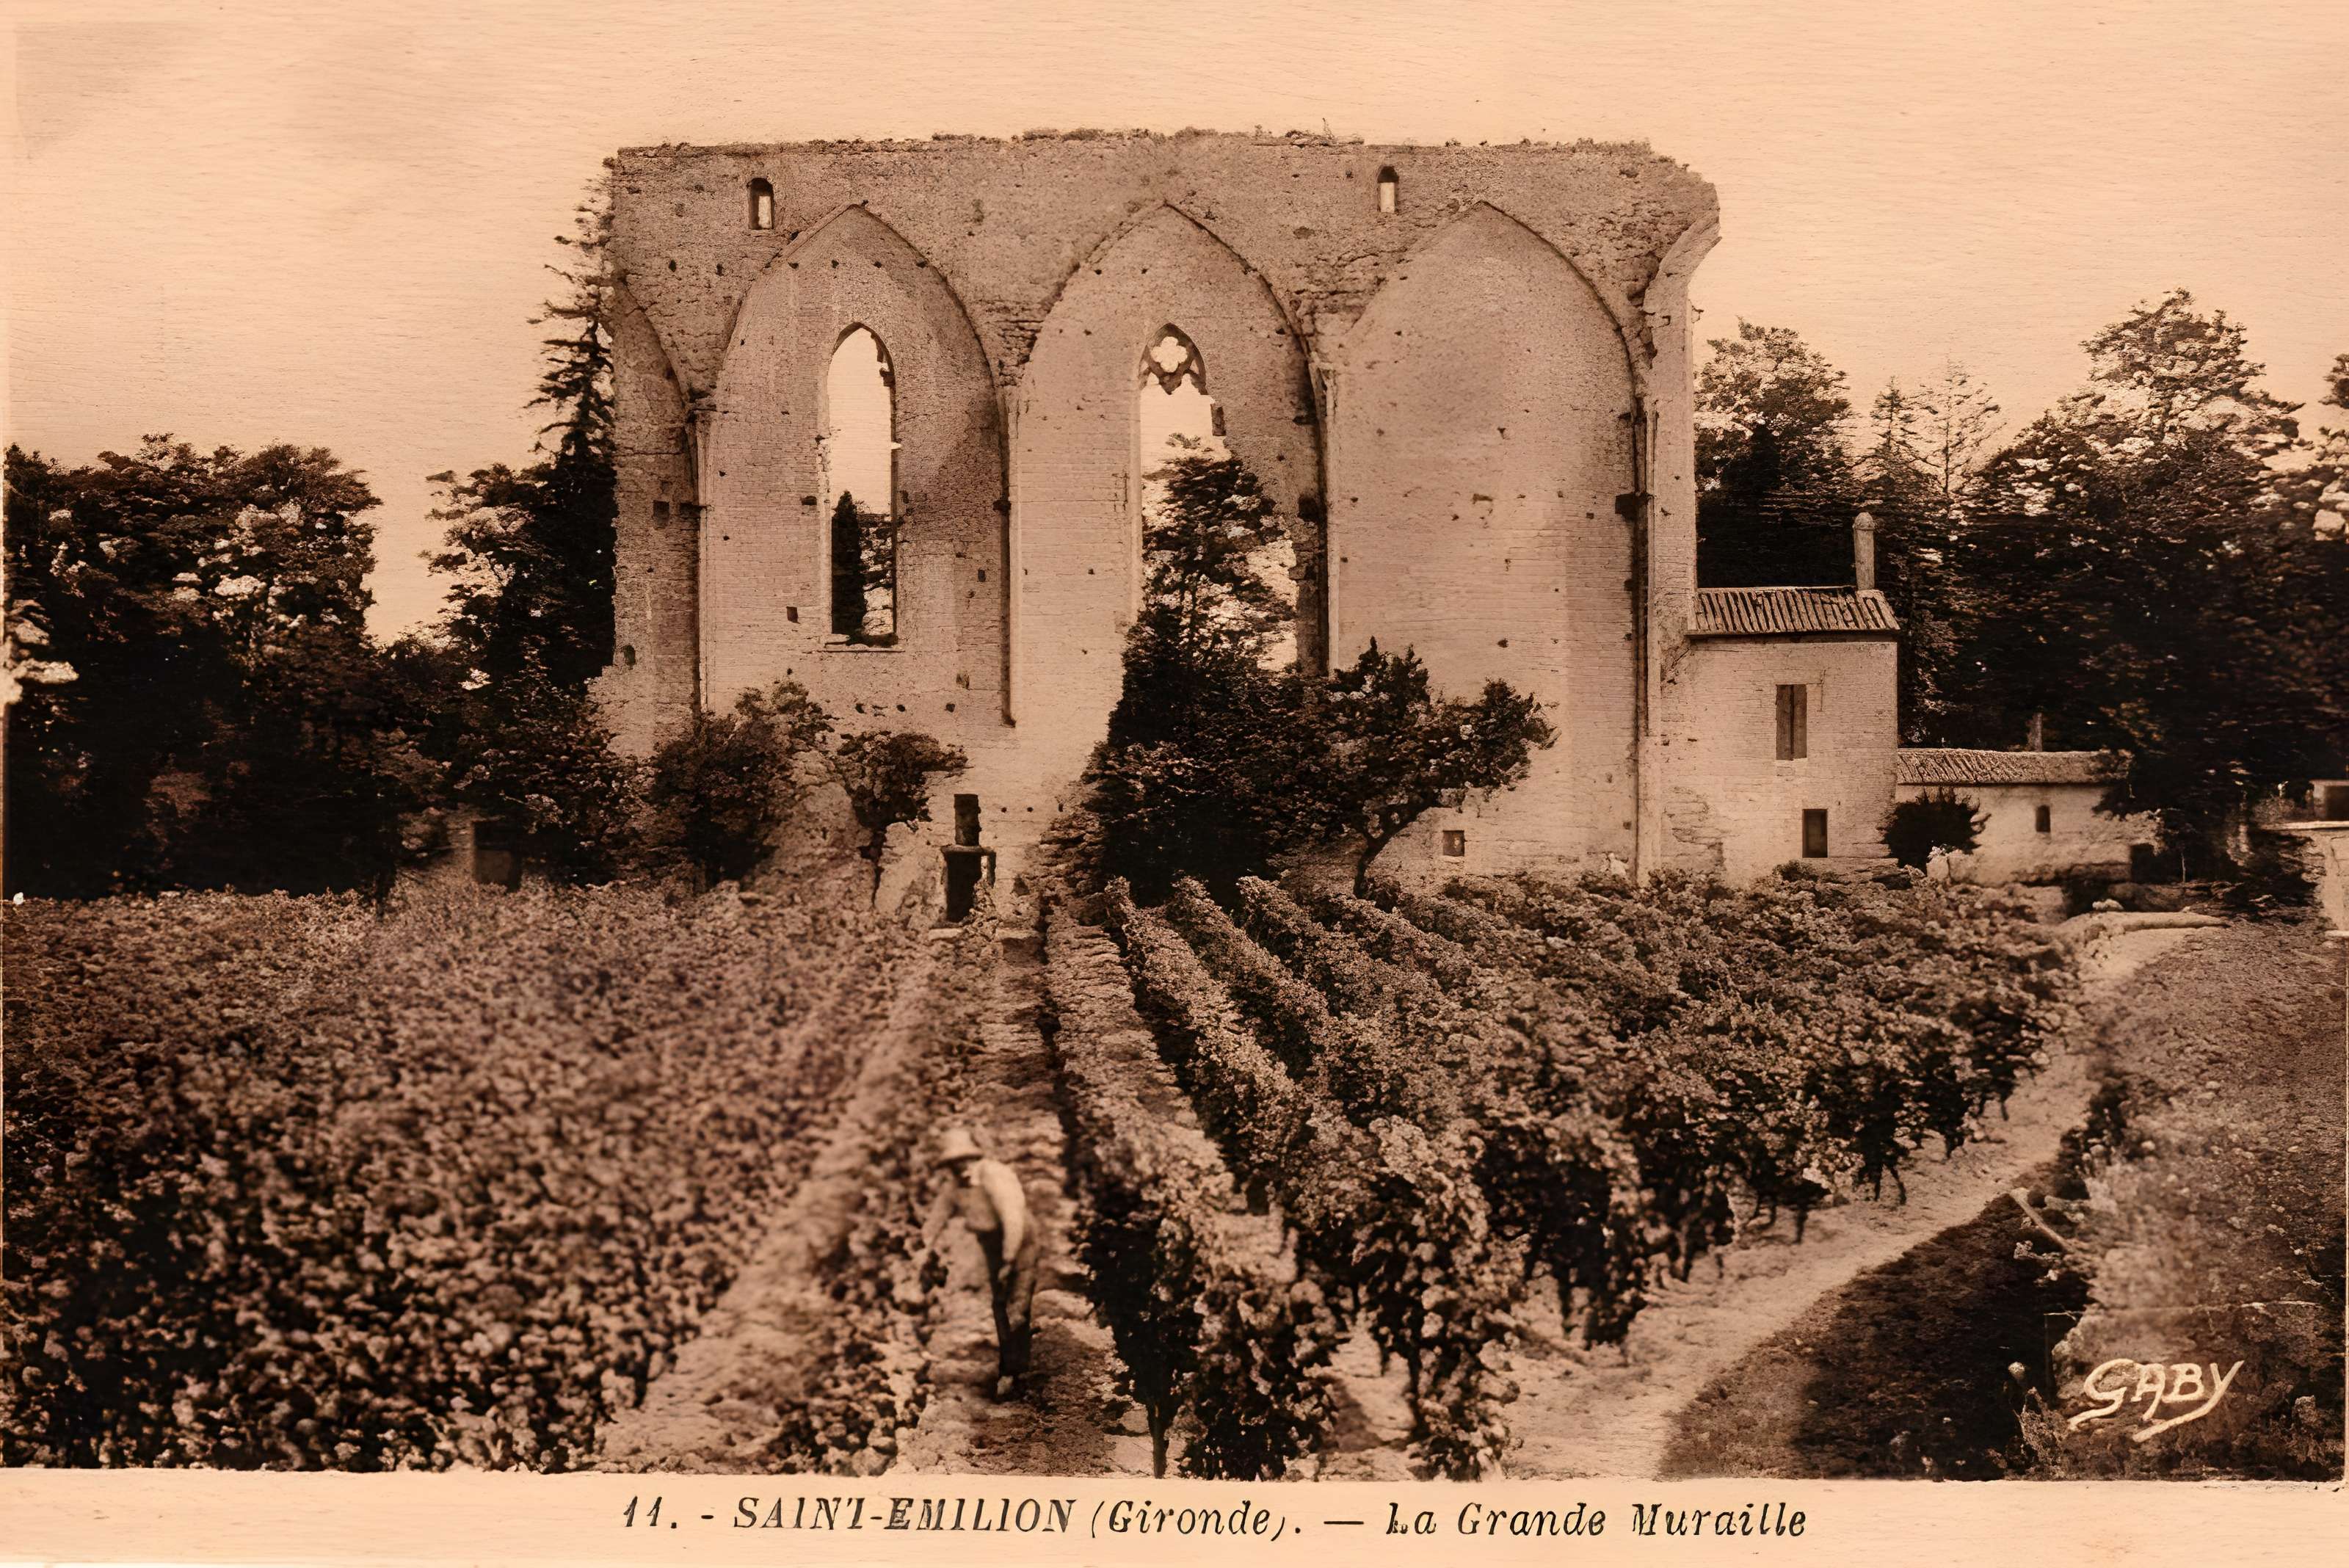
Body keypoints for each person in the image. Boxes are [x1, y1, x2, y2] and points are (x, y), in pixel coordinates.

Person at [924, 1125, 1039, 1399]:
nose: (960, 1168)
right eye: (953, 1164)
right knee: (999, 1303)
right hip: (990, 1244)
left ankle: (1017, 1373)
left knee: (1017, 1304)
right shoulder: (954, 1187)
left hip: (1019, 1241)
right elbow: (934, 1221)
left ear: (974, 1158)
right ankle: (1009, 1368)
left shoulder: (995, 1176)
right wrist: (925, 1250)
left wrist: (1009, 1259)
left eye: (964, 1161)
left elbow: (1013, 1219)